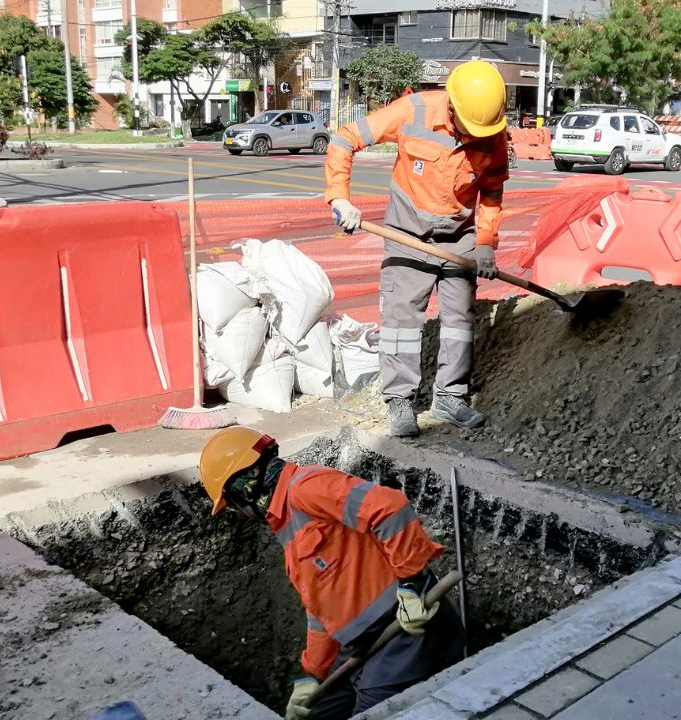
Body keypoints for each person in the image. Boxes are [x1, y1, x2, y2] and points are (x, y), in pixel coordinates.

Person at [198, 427, 466, 720]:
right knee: (315, 714)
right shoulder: (286, 524)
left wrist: (412, 583)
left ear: (244, 486)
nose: (238, 513)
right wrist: (311, 674)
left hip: (402, 629)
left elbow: (391, 507)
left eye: (233, 504)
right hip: (358, 645)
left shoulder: (306, 488)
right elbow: (321, 613)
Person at [324, 61, 510, 438]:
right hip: (406, 231)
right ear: (453, 106)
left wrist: (486, 244)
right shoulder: (414, 110)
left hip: (460, 237)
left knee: (460, 320)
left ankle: (450, 397)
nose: (471, 137)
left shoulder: (492, 134)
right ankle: (399, 400)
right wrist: (340, 200)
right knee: (401, 322)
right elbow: (344, 139)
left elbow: (491, 193)